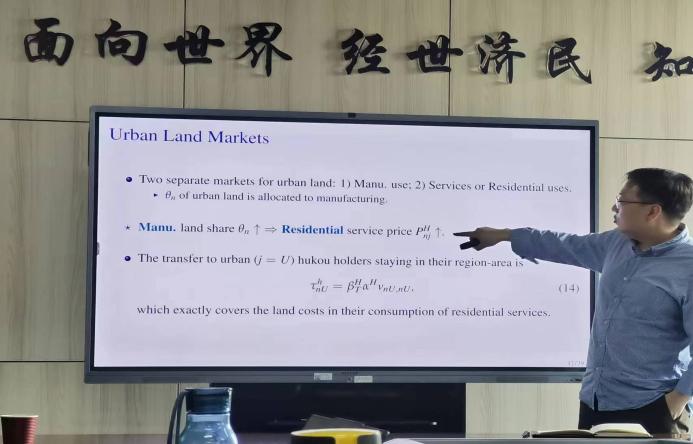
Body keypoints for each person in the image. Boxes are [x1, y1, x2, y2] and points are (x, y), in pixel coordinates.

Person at [456, 168, 693, 435]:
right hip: (596, 402)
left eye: (622, 201)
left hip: (654, 407)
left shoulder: (688, 266)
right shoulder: (615, 244)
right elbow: (566, 244)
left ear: (652, 212)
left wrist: (677, 401)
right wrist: (505, 235)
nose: (614, 207)